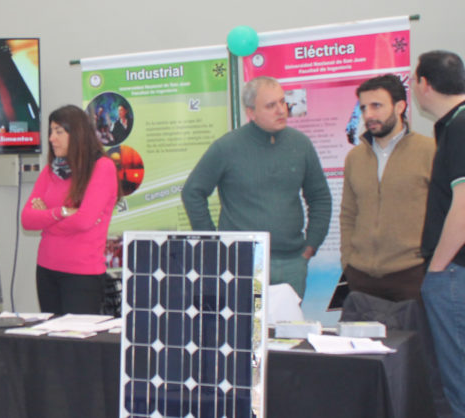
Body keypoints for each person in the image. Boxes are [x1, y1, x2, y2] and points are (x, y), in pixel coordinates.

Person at [182, 76, 331, 298]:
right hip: (243, 263)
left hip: (292, 262)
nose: (281, 110)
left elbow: (320, 197)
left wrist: (311, 245)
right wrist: (213, 244)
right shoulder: (227, 147)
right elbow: (192, 192)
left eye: (282, 102)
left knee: (285, 331)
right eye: (271, 105)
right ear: (251, 112)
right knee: (246, 331)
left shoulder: (301, 144)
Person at [340, 74, 435, 301]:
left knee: (412, 338)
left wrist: (430, 264)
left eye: (377, 106)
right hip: (360, 278)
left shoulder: (430, 151)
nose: (369, 115)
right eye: (363, 108)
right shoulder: (354, 157)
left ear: (400, 106)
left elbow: (444, 212)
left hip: (411, 276)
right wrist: (348, 260)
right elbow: (348, 214)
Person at [21, 105, 120, 315]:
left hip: (82, 274)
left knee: (76, 345)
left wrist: (46, 220)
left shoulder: (102, 168)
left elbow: (84, 220)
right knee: (52, 341)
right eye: (51, 131)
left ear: (76, 134)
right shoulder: (50, 170)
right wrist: (61, 212)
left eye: (58, 132)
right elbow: (27, 219)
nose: (51, 138)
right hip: (46, 270)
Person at [414, 49, 465, 417]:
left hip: (454, 272)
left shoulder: (461, 126)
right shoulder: (453, 125)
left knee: (456, 378)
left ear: (424, 84)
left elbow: (462, 209)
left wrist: (437, 269)